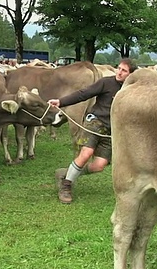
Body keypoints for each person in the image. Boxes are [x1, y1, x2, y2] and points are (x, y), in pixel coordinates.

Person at [49, 58, 137, 204]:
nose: (119, 72)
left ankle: (66, 173)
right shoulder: (106, 82)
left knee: (99, 166)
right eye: (119, 68)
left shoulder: (132, 91)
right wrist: (61, 102)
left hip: (111, 131)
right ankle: (66, 186)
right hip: (95, 122)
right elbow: (84, 93)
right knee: (86, 153)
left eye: (124, 71)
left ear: (131, 75)